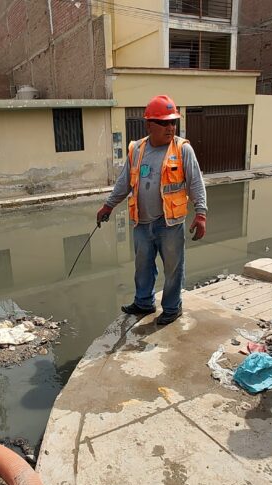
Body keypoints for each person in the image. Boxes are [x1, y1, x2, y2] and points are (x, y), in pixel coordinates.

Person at [96, 95, 207, 325]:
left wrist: (201, 213)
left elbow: (196, 182)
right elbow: (124, 181)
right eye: (164, 122)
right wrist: (108, 205)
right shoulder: (137, 149)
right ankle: (144, 303)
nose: (170, 127)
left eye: (173, 122)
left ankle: (172, 307)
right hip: (142, 222)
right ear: (149, 125)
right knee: (142, 266)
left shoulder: (182, 149)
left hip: (170, 223)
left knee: (173, 268)